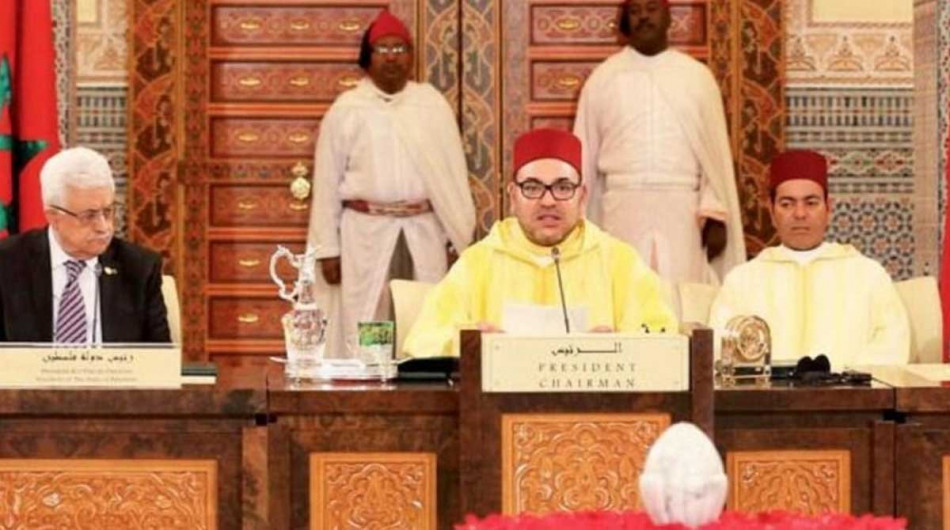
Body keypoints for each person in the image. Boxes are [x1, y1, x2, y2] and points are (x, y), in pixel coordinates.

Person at [404, 128, 677, 358]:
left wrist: (617, 347)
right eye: (532, 188)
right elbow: (423, 342)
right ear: (513, 196)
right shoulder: (479, 262)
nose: (548, 201)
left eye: (563, 187)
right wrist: (473, 344)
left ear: (582, 196)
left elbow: (662, 338)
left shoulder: (618, 260)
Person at [308, 9, 475, 355]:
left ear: (411, 56)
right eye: (382, 49)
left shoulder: (430, 105)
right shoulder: (347, 109)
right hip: (366, 233)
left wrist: (457, 236)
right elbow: (326, 182)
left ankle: (418, 370)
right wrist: (327, 249)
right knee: (372, 310)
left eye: (399, 49)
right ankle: (375, 370)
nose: (391, 57)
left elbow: (452, 177)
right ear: (367, 57)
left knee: (423, 307)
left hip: (423, 230)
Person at [573, 0, 745, 285]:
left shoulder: (696, 78)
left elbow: (714, 157)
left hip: (684, 212)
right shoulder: (603, 79)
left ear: (668, 17)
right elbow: (584, 154)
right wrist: (576, 221)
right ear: (625, 20)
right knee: (623, 289)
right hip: (622, 207)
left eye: (652, 9)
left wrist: (715, 212)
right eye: (635, 11)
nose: (644, 17)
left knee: (682, 295)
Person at [709, 150, 909, 369]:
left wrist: (848, 380)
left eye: (811, 203)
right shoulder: (743, 280)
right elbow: (721, 347)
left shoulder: (867, 274)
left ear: (828, 208)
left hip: (847, 390)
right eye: (787, 204)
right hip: (767, 391)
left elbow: (893, 342)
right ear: (772, 212)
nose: (800, 213)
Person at [0, 147, 171, 343]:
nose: (103, 227)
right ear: (54, 217)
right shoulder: (7, 263)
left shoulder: (139, 268)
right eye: (89, 216)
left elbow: (159, 356)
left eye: (108, 212)